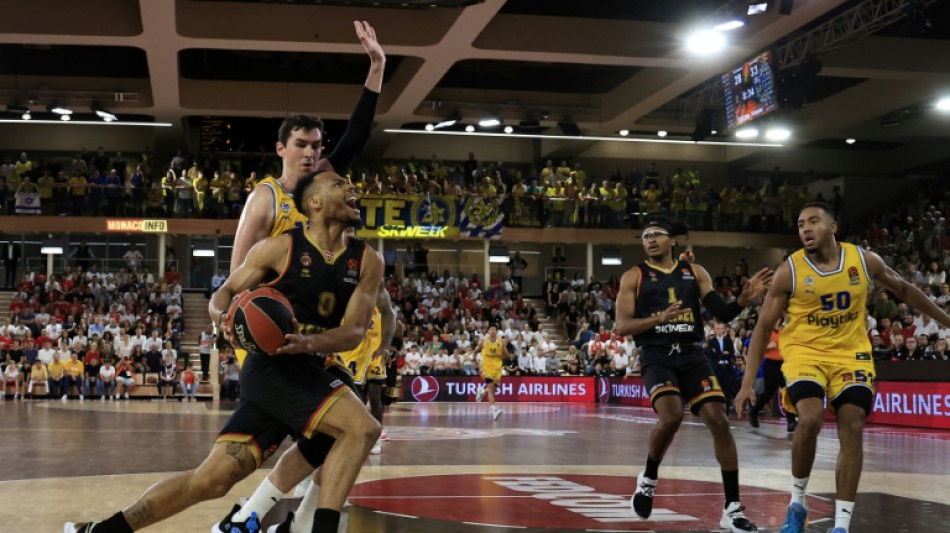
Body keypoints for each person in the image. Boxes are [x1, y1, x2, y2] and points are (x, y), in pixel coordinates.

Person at [66, 170, 383, 533]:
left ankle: (101, 531)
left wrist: (308, 343)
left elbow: (355, 331)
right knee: (361, 428)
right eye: (339, 184)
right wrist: (222, 317)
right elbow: (224, 293)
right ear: (314, 202)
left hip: (313, 363)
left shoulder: (367, 261)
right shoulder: (280, 248)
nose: (353, 187)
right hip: (272, 369)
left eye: (350, 183)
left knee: (210, 480)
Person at [735, 202, 950, 533]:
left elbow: (905, 290)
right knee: (809, 420)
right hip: (804, 352)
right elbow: (763, 327)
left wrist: (946, 319)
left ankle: (841, 526)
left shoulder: (863, 260)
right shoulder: (789, 270)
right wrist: (747, 383)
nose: (805, 228)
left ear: (832, 227)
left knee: (852, 425)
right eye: (800, 224)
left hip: (851, 354)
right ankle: (797, 503)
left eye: (813, 222)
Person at [614, 215, 771, 533]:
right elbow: (621, 326)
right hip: (657, 357)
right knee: (671, 416)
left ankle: (733, 509)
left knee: (718, 418)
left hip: (691, 356)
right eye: (646, 236)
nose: (651, 239)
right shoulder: (634, 276)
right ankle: (648, 479)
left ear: (673, 240)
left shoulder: (695, 272)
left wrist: (743, 297)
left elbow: (723, 313)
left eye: (657, 234)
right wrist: (659, 318)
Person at [746, 317, 797, 431]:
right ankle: (753, 412)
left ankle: (791, 421)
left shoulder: (783, 331)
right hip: (771, 364)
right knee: (768, 393)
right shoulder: (766, 332)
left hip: (784, 364)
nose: (775, 320)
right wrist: (768, 346)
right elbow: (756, 349)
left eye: (777, 319)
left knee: (787, 391)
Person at [467, 325, 510, 420]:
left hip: (497, 368)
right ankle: (494, 410)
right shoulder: (483, 341)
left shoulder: (501, 342)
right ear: (488, 331)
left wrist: (510, 356)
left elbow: (505, 353)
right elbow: (475, 351)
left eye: (494, 329)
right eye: (491, 329)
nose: (493, 331)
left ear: (496, 331)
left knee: (493, 389)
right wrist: (473, 359)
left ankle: (481, 392)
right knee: (491, 389)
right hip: (487, 368)